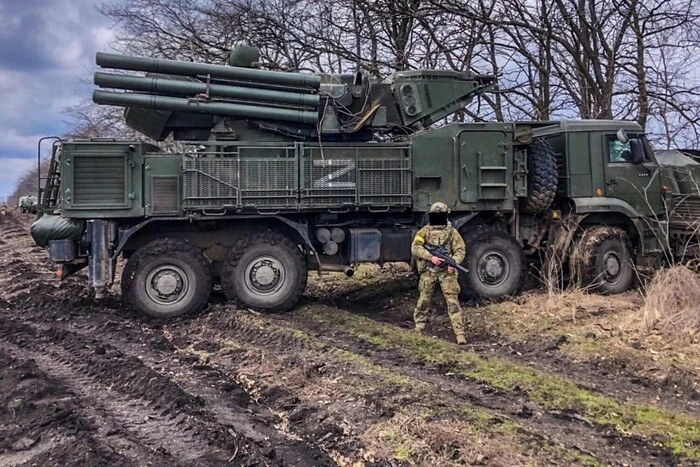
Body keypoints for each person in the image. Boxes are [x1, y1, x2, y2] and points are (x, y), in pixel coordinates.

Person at [411, 202, 467, 345]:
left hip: (446, 273)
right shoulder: (425, 231)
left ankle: (459, 333)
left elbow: (460, 250)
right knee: (424, 300)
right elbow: (415, 247)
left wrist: (453, 263)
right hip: (429, 271)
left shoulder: (452, 233)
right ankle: (419, 327)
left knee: (453, 303)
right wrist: (431, 257)